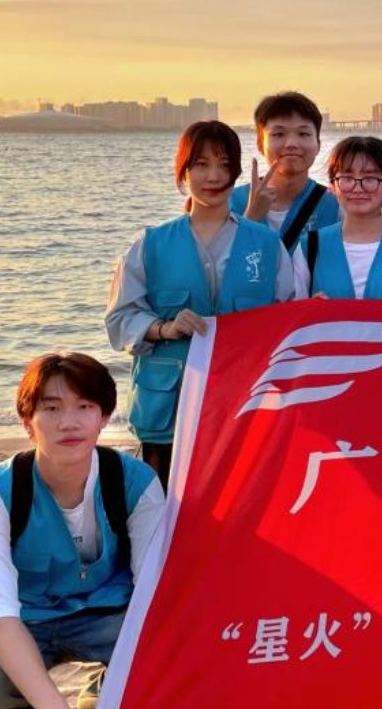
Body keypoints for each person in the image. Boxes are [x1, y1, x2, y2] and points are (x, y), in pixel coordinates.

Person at [0, 353, 165, 709]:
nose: (69, 422)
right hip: (22, 619)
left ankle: (101, 705)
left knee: (164, 647)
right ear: (28, 421)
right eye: (51, 407)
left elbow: (154, 599)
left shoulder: (136, 482)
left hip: (109, 615)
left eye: (85, 406)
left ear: (104, 417)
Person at [106, 120, 295, 486]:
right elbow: (119, 319)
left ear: (236, 172)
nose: (213, 176)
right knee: (164, 507)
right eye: (201, 164)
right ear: (183, 171)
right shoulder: (151, 244)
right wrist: (163, 328)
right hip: (167, 413)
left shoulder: (267, 245)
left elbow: (288, 318)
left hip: (243, 407)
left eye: (224, 165)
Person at [292, 136, 382, 299]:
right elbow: (294, 312)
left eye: (370, 178)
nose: (358, 188)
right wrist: (310, 309)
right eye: (347, 178)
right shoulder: (310, 247)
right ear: (333, 186)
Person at [229, 91, 340, 251]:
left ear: (318, 144)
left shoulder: (334, 205)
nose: (291, 144)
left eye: (303, 134)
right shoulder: (231, 203)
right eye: (279, 134)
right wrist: (251, 218)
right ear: (260, 144)